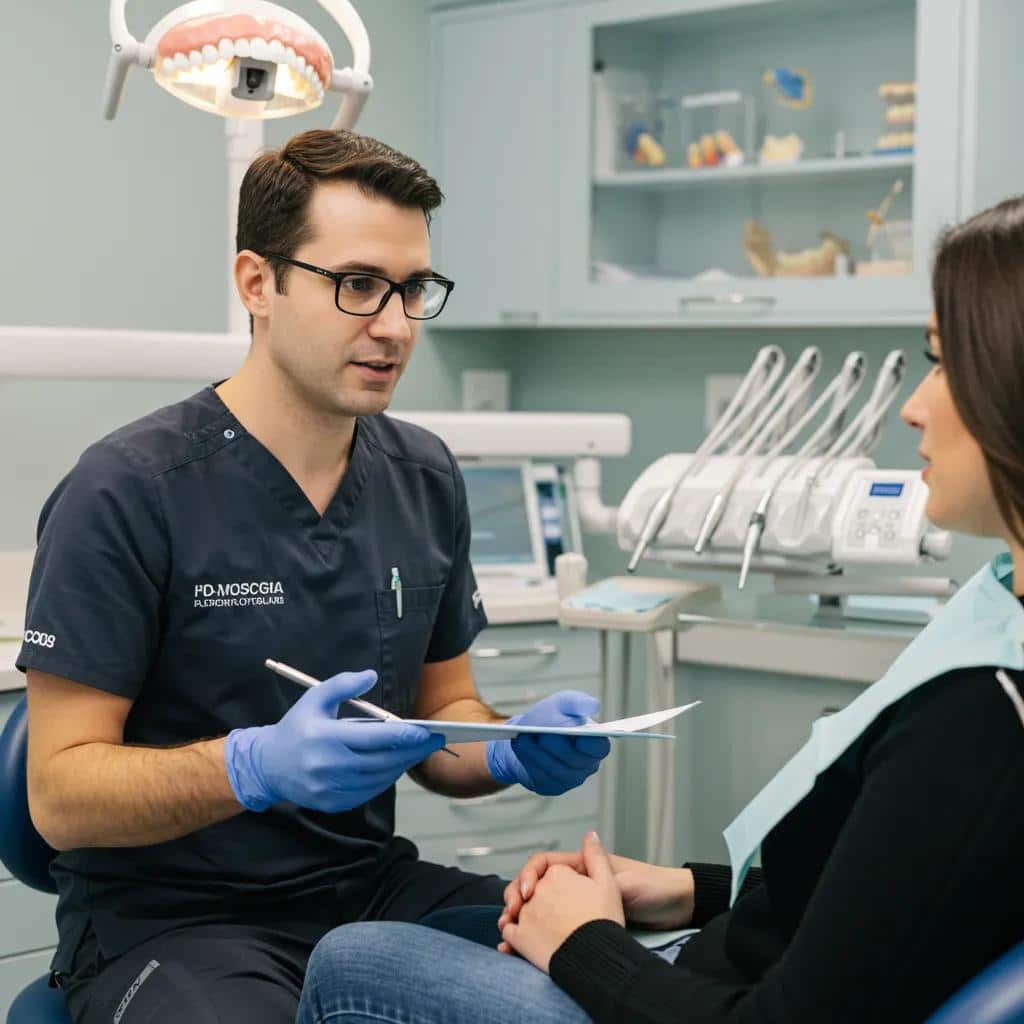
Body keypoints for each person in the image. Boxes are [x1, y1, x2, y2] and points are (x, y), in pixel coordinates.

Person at [294, 197, 1024, 1024]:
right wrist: (683, 891)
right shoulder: (996, 618)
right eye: (358, 286)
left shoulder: (982, 718)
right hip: (716, 954)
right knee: (469, 921)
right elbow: (887, 915)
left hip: (708, 998)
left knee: (352, 959)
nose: (914, 406)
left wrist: (584, 943)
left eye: (941, 363)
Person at [16, 129, 610, 1024]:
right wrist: (251, 768)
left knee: (592, 983)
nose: (395, 324)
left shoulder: (424, 476)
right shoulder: (130, 489)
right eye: (358, 285)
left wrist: (512, 748)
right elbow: (59, 797)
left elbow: (445, 722)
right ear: (258, 283)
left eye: (414, 290)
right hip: (172, 923)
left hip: (367, 892)